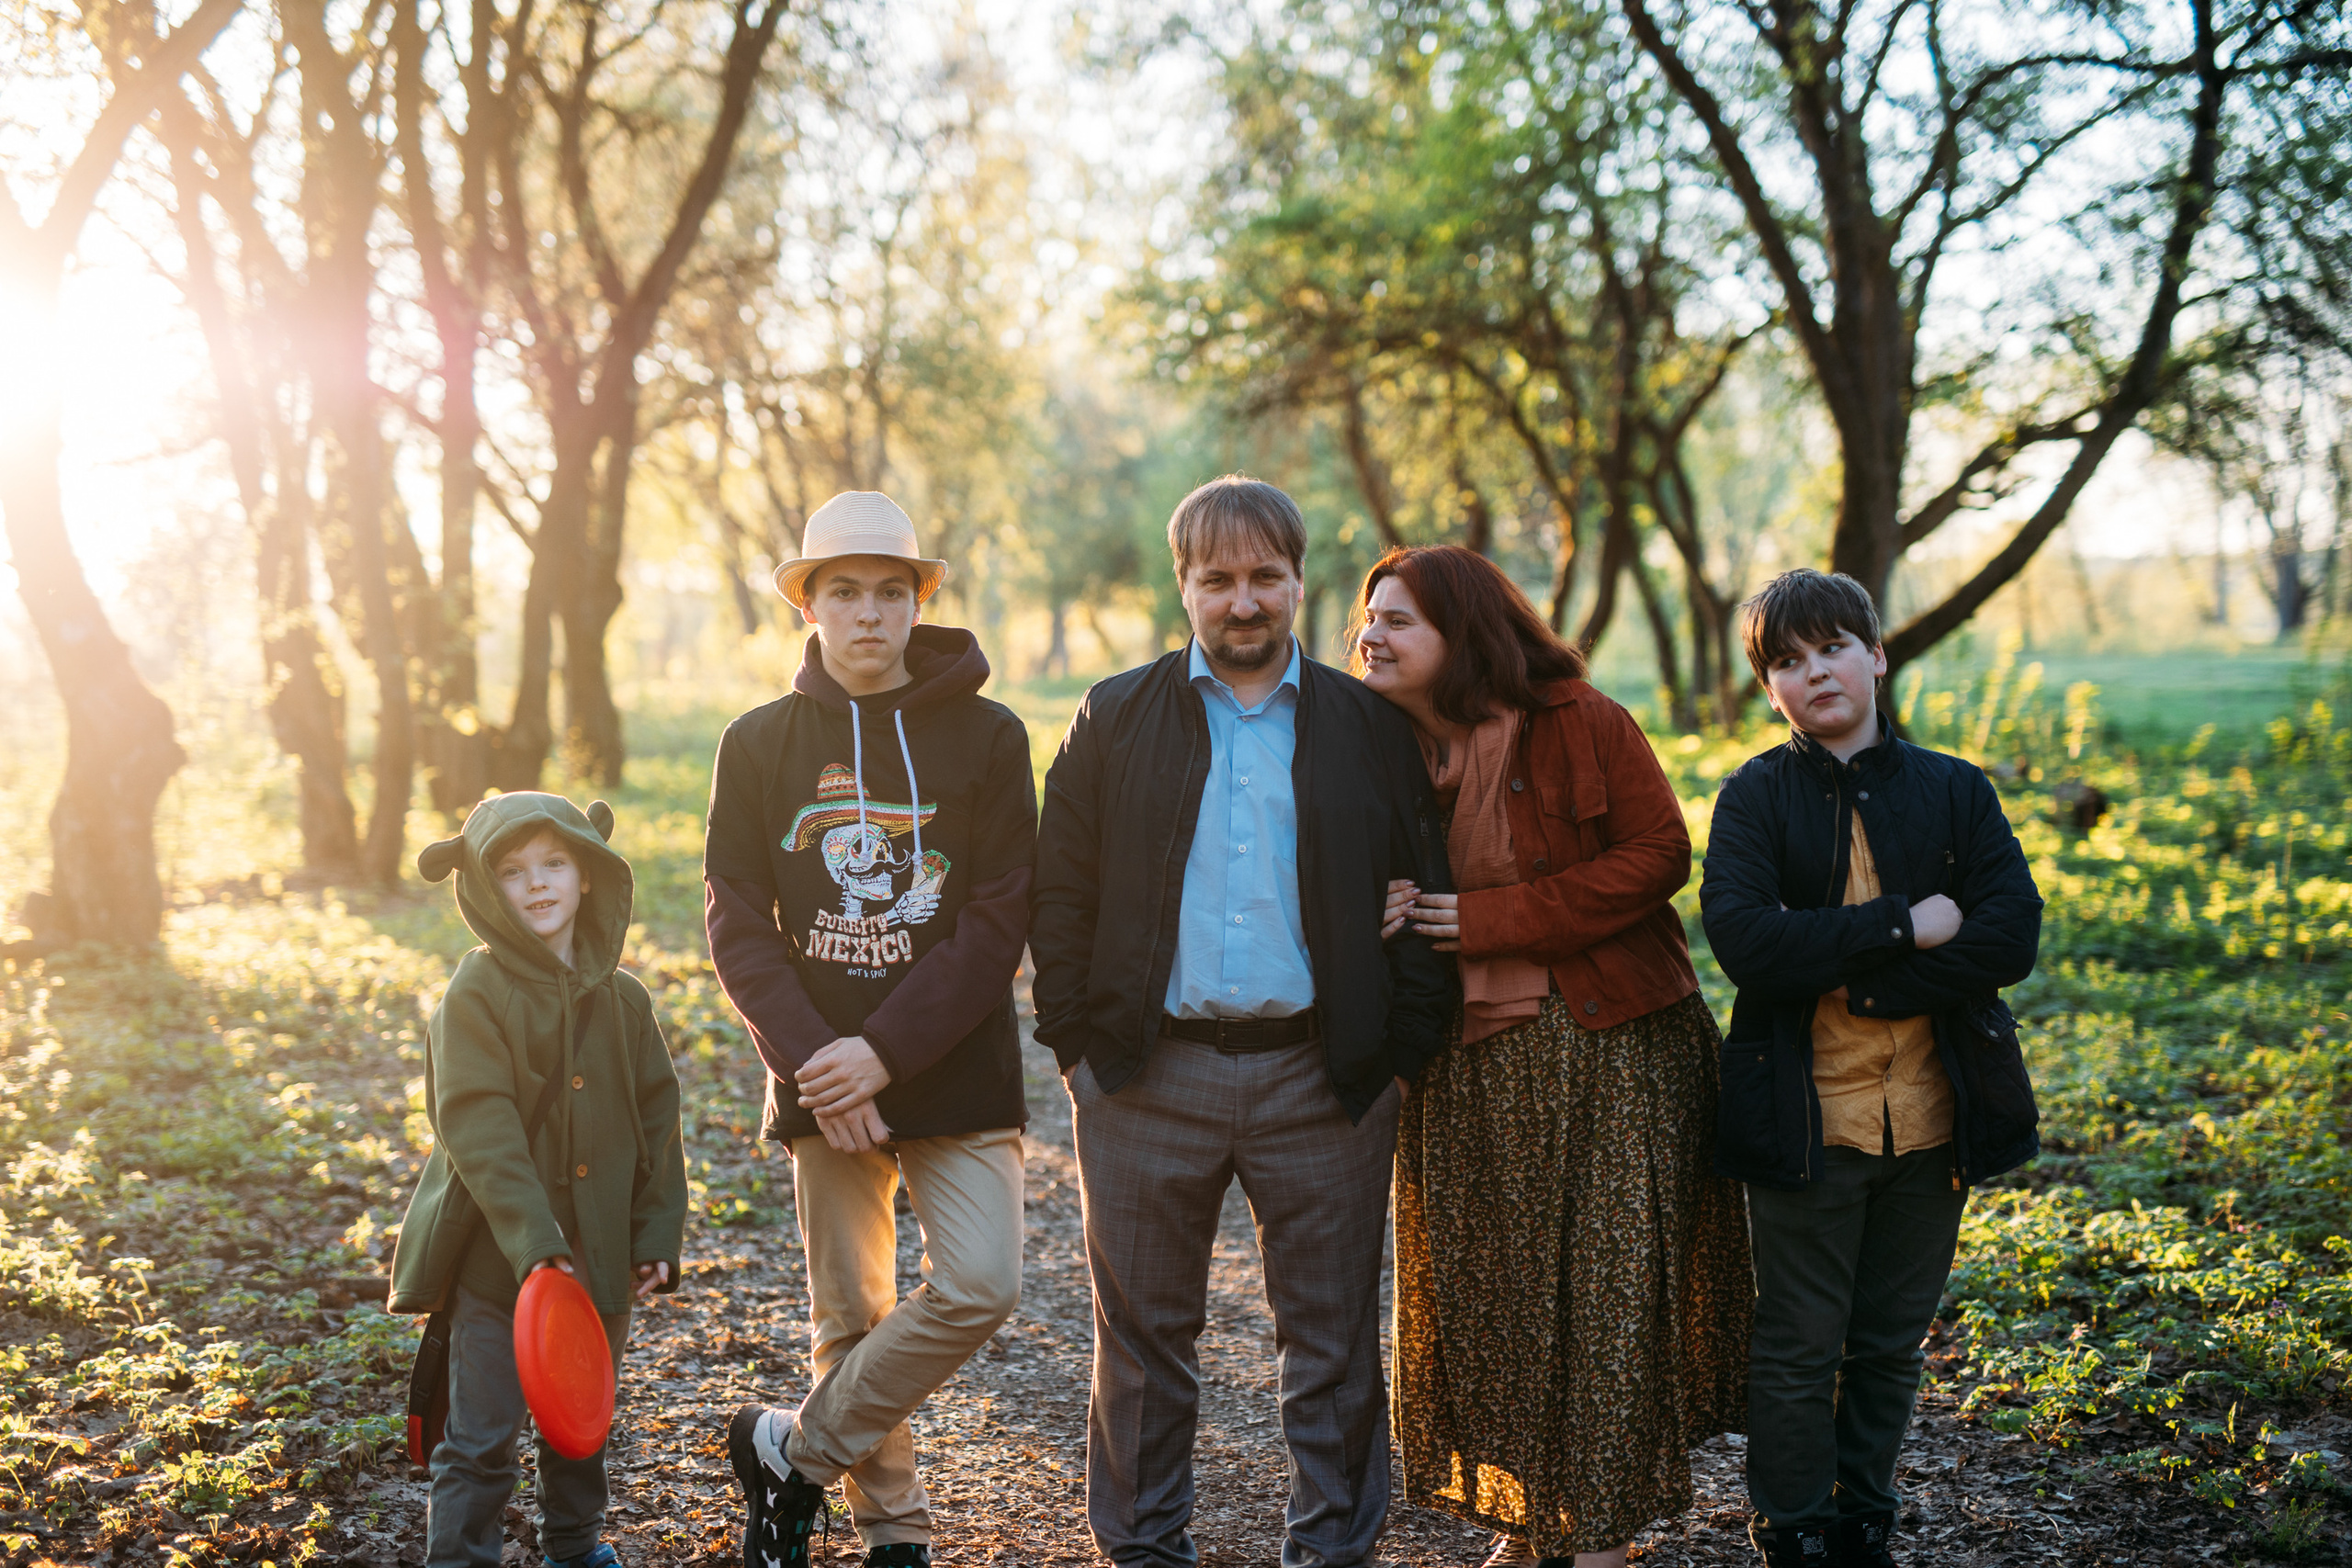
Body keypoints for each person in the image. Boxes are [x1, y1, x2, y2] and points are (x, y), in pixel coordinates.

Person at [1030, 474, 1456, 1568]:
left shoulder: (1368, 726)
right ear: (1182, 584)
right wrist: (1078, 1047)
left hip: (1324, 1079)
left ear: (1300, 581)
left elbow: (1424, 887)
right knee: (1142, 1344)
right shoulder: (1114, 715)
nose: (1244, 601)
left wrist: (1396, 1059)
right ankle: (1142, 1549)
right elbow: (1058, 889)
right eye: (1217, 579)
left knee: (1331, 1344)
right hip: (1143, 1076)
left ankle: (1332, 1551)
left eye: (1266, 576)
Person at [1360, 546, 1751, 1568]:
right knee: (1496, 1294)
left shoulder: (1581, 720)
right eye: (1369, 617)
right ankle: (1537, 1518)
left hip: (1613, 1048)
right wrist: (1375, 902)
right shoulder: (1370, 746)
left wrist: (1492, 918)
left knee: (1608, 1296)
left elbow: (1659, 854)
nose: (1370, 636)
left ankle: (1601, 1536)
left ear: (1461, 633)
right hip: (1466, 1064)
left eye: (1397, 620)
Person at [705, 491, 1034, 1568]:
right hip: (823, 1081)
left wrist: (883, 1053)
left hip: (953, 1068)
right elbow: (736, 923)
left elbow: (996, 921)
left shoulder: (989, 736)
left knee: (981, 1282)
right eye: (843, 592)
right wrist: (820, 1066)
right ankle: (893, 1532)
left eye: (890, 592)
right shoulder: (757, 743)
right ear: (808, 604)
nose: (867, 614)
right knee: (850, 1313)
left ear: (917, 602)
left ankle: (790, 1453)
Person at [1700, 569, 2043, 1568]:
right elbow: (1749, 943)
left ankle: (1863, 1519)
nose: (1815, 673)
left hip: (1936, 1113)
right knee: (1800, 1343)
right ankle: (1794, 1526)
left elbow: (2008, 935)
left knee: (1890, 1343)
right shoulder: (1753, 796)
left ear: (1876, 655)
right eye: (1787, 661)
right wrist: (1903, 925)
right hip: (1807, 1117)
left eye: (1833, 648)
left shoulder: (1954, 789)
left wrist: (1859, 980)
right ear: (1769, 686)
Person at [390, 792, 687, 1568]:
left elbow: (659, 1122)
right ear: (486, 888)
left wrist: (656, 1233)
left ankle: (575, 1547)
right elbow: (477, 1123)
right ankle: (460, 1558)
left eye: (555, 863)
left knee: (580, 1424)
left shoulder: (626, 1001)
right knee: (481, 1436)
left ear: (587, 872)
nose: (538, 883)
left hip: (600, 1260)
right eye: (514, 871)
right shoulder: (477, 992)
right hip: (499, 1268)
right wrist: (532, 1241)